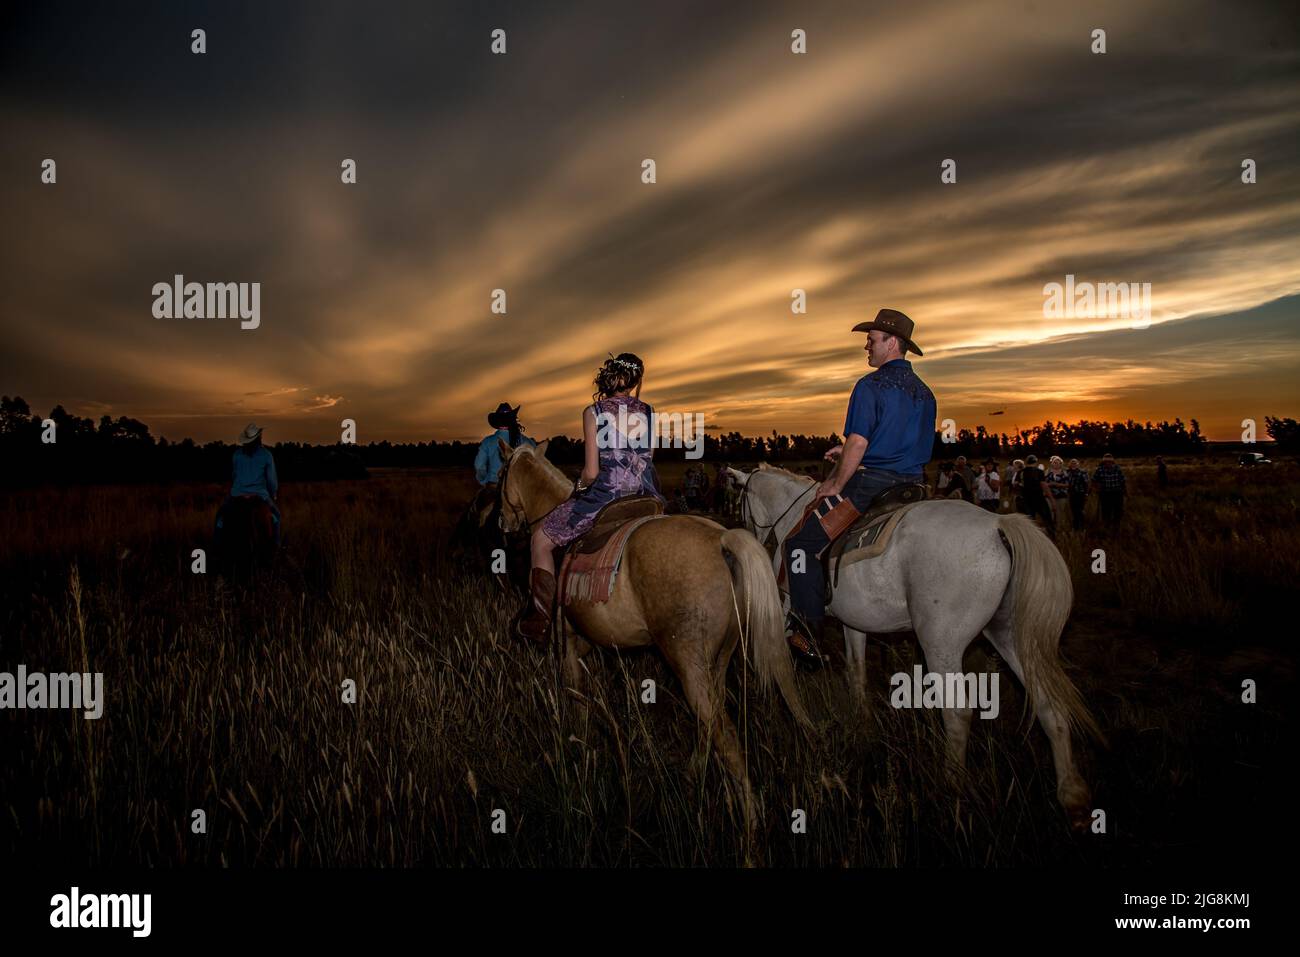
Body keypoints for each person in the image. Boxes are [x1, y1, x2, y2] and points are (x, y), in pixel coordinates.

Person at [783, 309, 935, 663]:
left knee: (800, 547)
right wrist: (848, 448)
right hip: (912, 485)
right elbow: (892, 441)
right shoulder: (925, 393)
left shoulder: (871, 385)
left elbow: (862, 442)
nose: (866, 345)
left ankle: (807, 639)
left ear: (892, 342)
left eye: (872, 339)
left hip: (871, 486)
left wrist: (835, 481)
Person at [516, 353, 664, 642]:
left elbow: (592, 472)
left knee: (540, 541)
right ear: (635, 382)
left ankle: (542, 621)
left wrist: (580, 486)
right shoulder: (649, 411)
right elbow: (649, 459)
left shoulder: (593, 412)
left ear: (611, 376)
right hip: (645, 494)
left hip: (606, 496)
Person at [215, 422, 280, 546]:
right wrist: (273, 493)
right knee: (276, 516)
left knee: (220, 518)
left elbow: (234, 476)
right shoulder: (266, 455)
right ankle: (276, 546)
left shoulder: (237, 454)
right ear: (259, 438)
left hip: (237, 494)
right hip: (260, 495)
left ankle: (217, 547)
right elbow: (271, 480)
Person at [475, 403, 536, 487]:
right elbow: (536, 461)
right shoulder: (527, 442)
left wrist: (484, 481)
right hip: (519, 489)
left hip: (493, 486)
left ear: (497, 421)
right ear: (513, 420)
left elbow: (479, 466)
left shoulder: (487, 442)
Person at [1019, 454, 1054, 537]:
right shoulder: (1039, 472)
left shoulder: (1021, 472)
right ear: (1036, 462)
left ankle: (1031, 537)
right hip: (1039, 499)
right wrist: (1051, 499)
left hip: (1026, 499)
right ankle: (1052, 536)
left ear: (1026, 462)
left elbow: (1019, 485)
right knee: (1047, 518)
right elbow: (1044, 485)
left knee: (1030, 521)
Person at [1092, 453, 1127, 526]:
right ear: (1103, 462)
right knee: (1106, 511)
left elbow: (1122, 480)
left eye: (1110, 461)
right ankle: (1107, 526)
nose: (1108, 463)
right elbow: (1094, 480)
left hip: (1117, 492)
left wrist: (1124, 491)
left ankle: (1116, 525)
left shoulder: (1117, 468)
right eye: (1106, 461)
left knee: (1117, 510)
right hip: (1105, 493)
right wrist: (1097, 488)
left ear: (1112, 461)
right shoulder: (1099, 469)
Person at [1044, 455, 1070, 528]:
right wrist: (1050, 484)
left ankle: (1059, 528)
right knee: (1050, 512)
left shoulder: (1064, 473)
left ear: (1061, 464)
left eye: (1058, 463)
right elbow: (1044, 483)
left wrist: (1056, 484)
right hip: (1049, 495)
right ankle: (1050, 528)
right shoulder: (1047, 472)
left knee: (1060, 513)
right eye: (1055, 462)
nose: (1056, 464)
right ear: (1052, 463)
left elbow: (1067, 485)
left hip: (1061, 495)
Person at [1066, 457, 1089, 529]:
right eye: (1072, 463)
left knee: (1080, 510)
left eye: (1075, 463)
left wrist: (1086, 494)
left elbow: (1086, 484)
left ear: (1078, 464)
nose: (1073, 464)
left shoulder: (1082, 472)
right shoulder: (1067, 472)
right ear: (1069, 464)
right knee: (1073, 510)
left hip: (1080, 494)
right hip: (1072, 494)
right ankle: (1075, 526)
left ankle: (1081, 526)